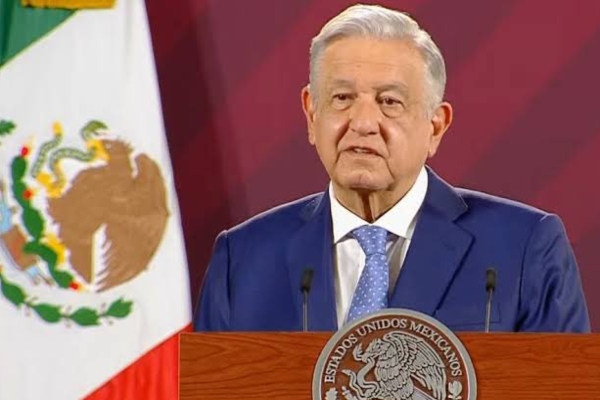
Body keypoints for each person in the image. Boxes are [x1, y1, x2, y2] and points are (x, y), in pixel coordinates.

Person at [194, 4, 590, 332]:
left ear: (435, 126)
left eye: (389, 102)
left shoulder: (524, 248)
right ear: (312, 115)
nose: (363, 122)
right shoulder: (242, 259)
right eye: (342, 97)